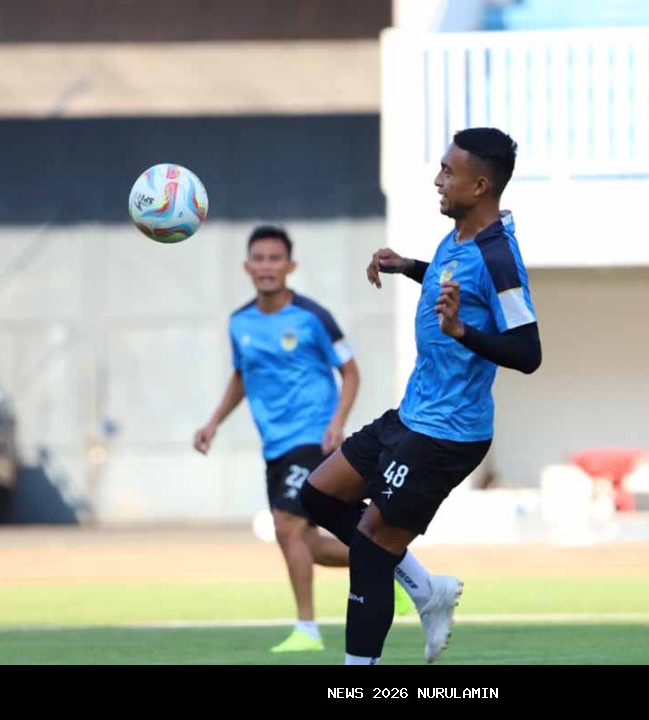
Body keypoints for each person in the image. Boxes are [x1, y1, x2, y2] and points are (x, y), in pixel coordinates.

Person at [299, 127, 541, 665]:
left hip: (447, 434)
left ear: (480, 186)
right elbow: (454, 283)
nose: (438, 179)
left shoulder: (501, 256)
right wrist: (406, 266)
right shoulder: (456, 238)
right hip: (412, 415)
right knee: (317, 496)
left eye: (448, 172)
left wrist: (462, 334)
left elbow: (528, 351)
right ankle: (426, 587)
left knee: (368, 545)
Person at [193, 225, 414, 654]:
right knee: (303, 542)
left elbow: (350, 370)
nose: (267, 267)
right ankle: (390, 565)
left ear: (290, 266)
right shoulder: (240, 323)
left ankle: (307, 630)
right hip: (274, 445)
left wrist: (337, 422)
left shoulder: (314, 317)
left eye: (275, 259)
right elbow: (242, 375)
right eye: (259, 258)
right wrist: (214, 422)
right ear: (247, 266)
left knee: (287, 526)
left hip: (313, 438)